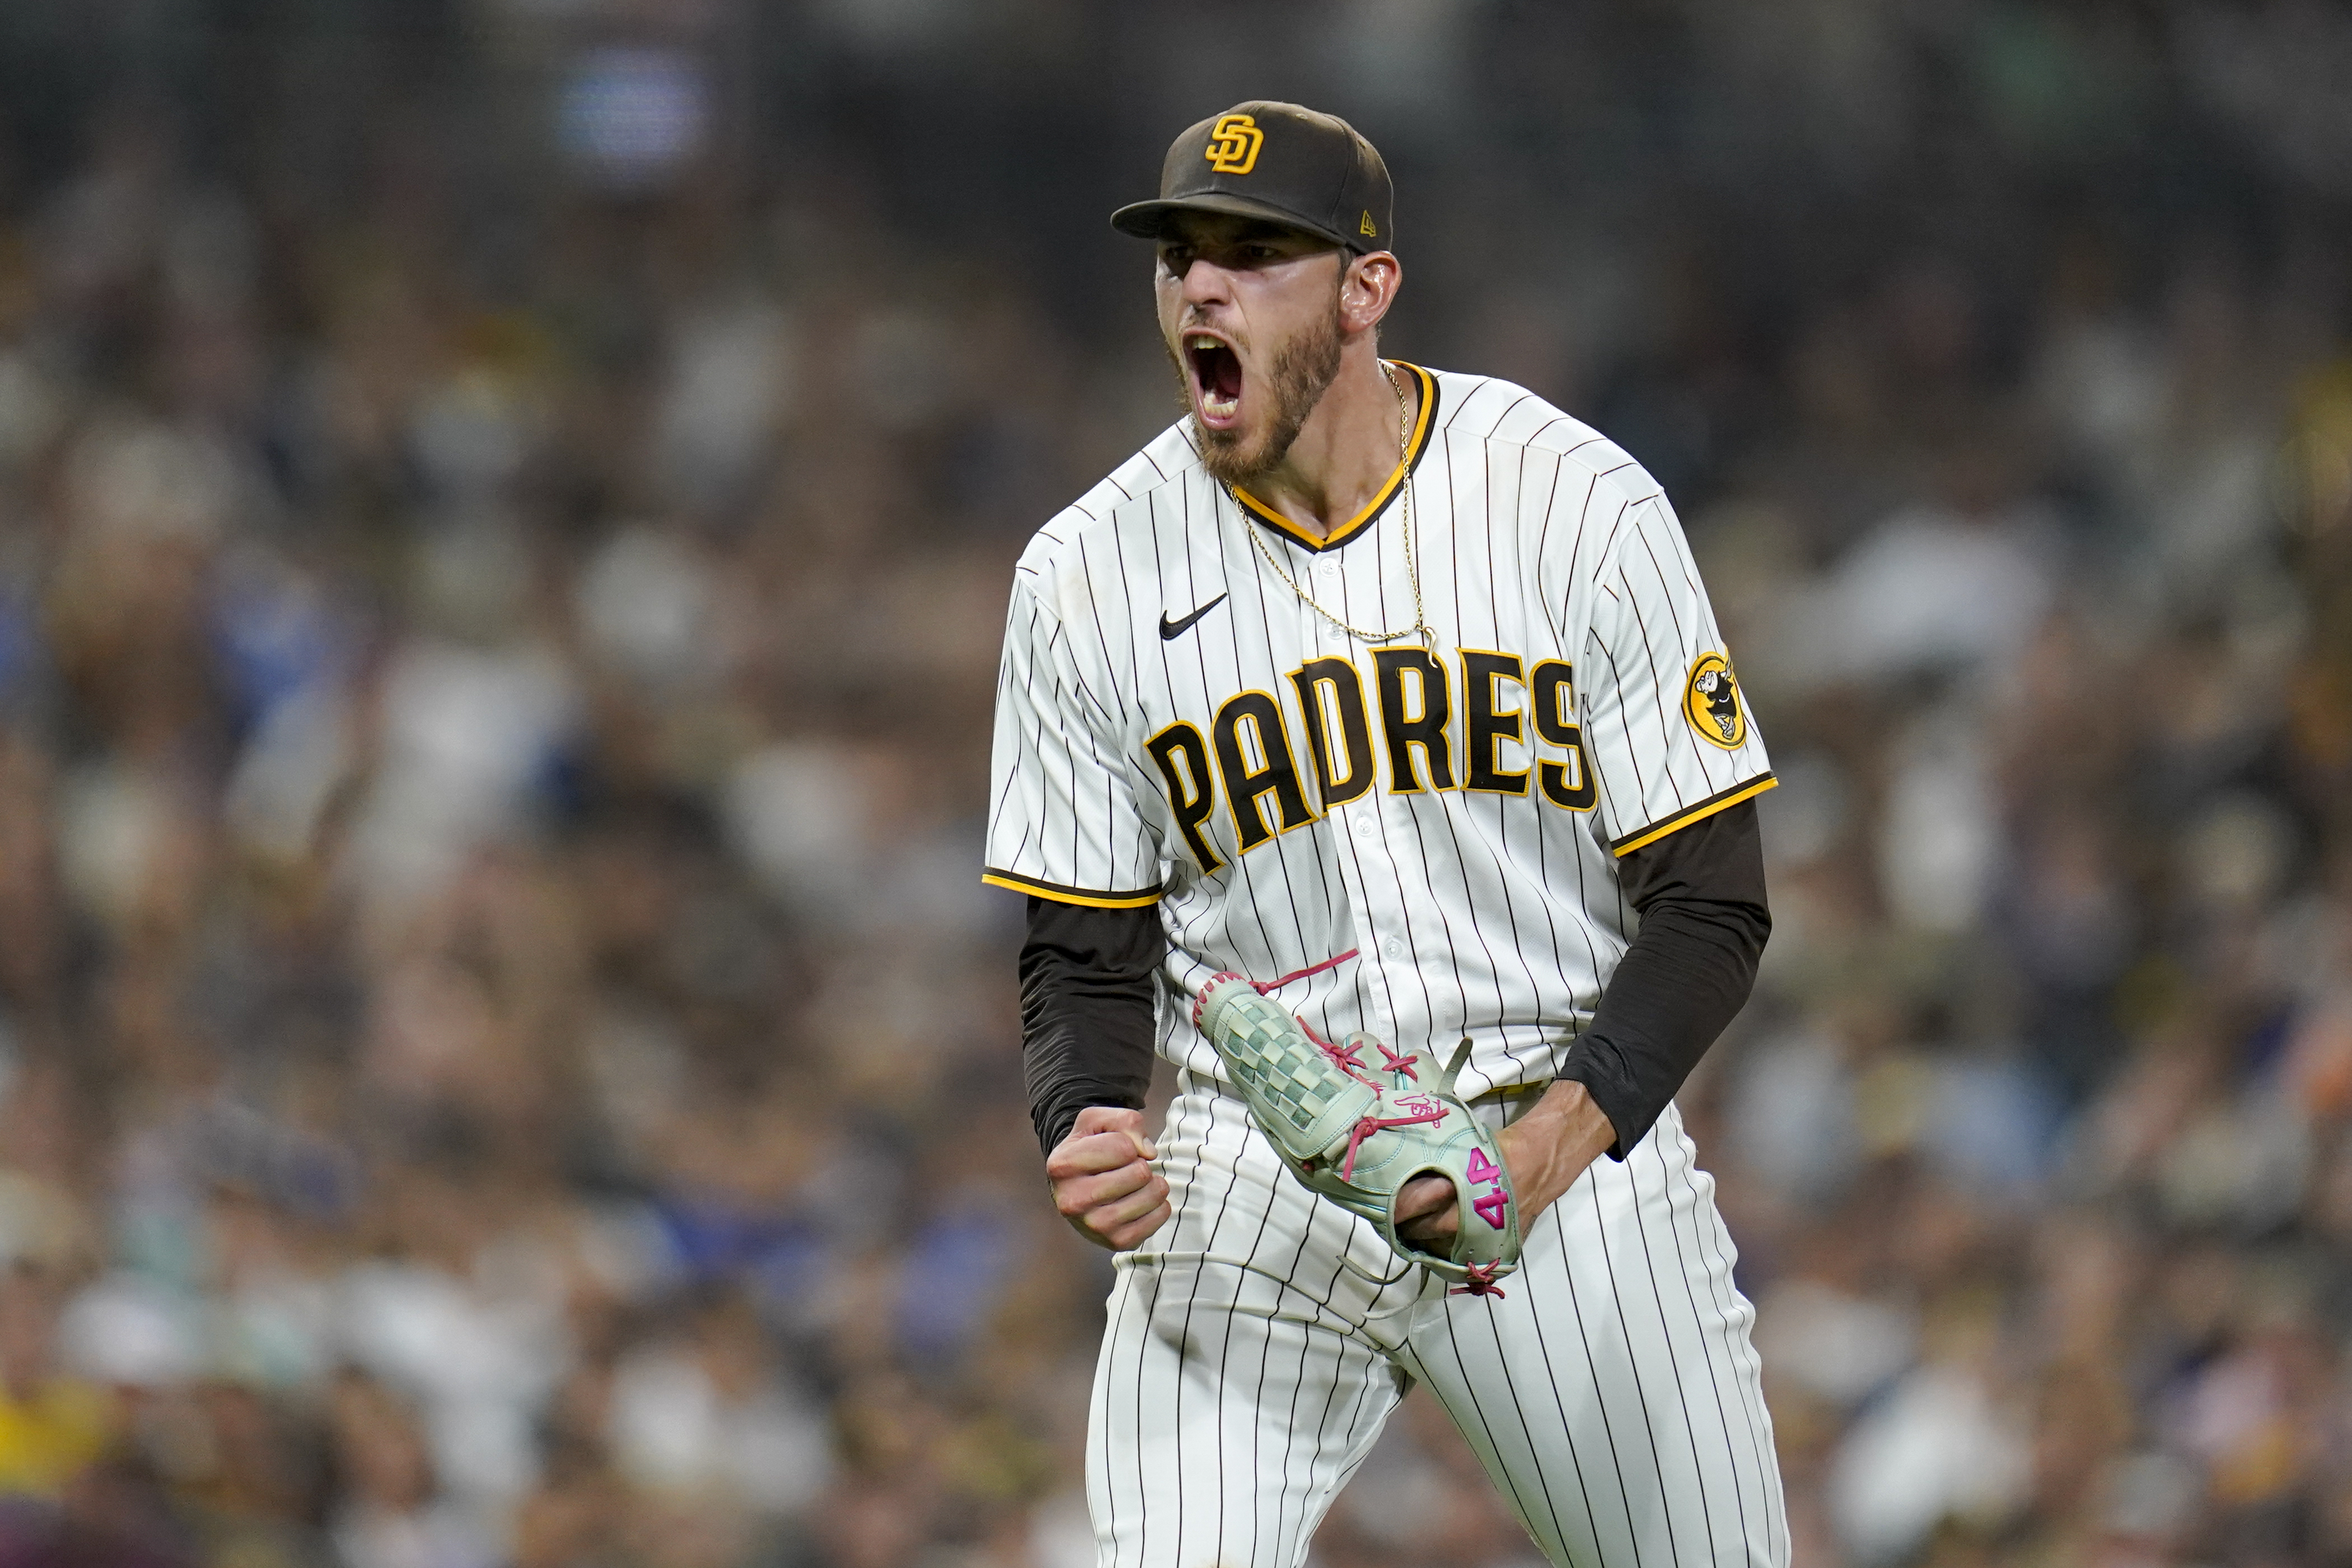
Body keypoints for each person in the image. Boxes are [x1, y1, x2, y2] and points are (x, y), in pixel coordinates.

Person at [984, 101, 1787, 1568]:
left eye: (1255, 254)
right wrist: (1084, 1116)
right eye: (1179, 259)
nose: (1201, 290)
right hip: (1252, 1169)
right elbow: (1081, 947)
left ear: (1367, 286)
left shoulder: (1570, 503)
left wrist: (1546, 1147)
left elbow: (1711, 905)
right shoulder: (1084, 575)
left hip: (1549, 1133)